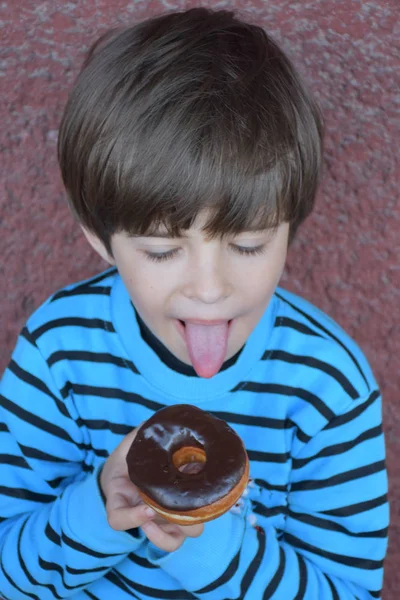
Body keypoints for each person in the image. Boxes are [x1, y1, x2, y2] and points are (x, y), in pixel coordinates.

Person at [0, 6, 389, 600]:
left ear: (292, 226)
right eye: (161, 250)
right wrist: (101, 504)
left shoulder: (327, 385)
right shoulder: (59, 351)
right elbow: (9, 574)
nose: (209, 289)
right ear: (99, 237)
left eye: (248, 243)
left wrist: (203, 538)